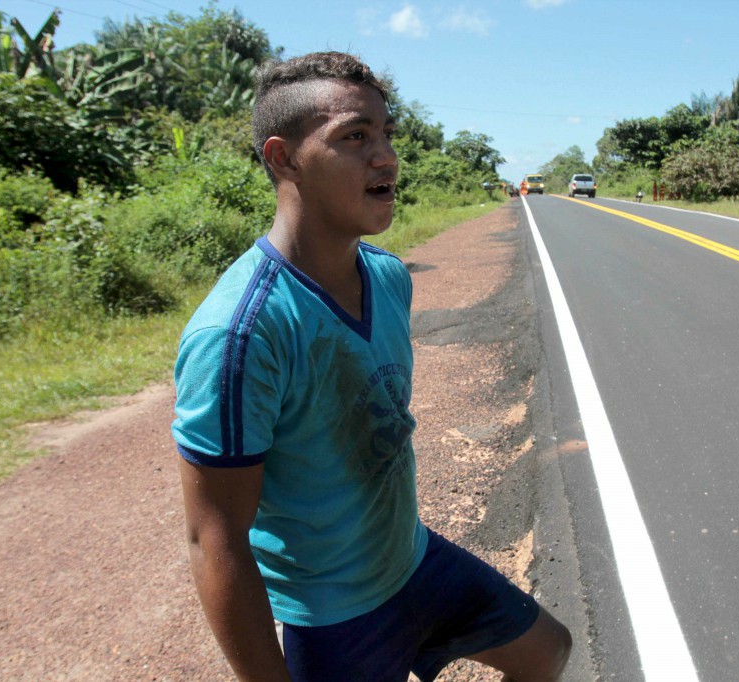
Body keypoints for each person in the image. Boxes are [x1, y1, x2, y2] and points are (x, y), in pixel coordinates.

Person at [172, 51, 572, 682]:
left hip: (413, 560)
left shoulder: (388, 277)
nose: (386, 157)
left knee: (548, 650)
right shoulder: (241, 334)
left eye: (386, 133)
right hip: (334, 615)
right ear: (283, 158)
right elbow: (214, 538)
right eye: (355, 137)